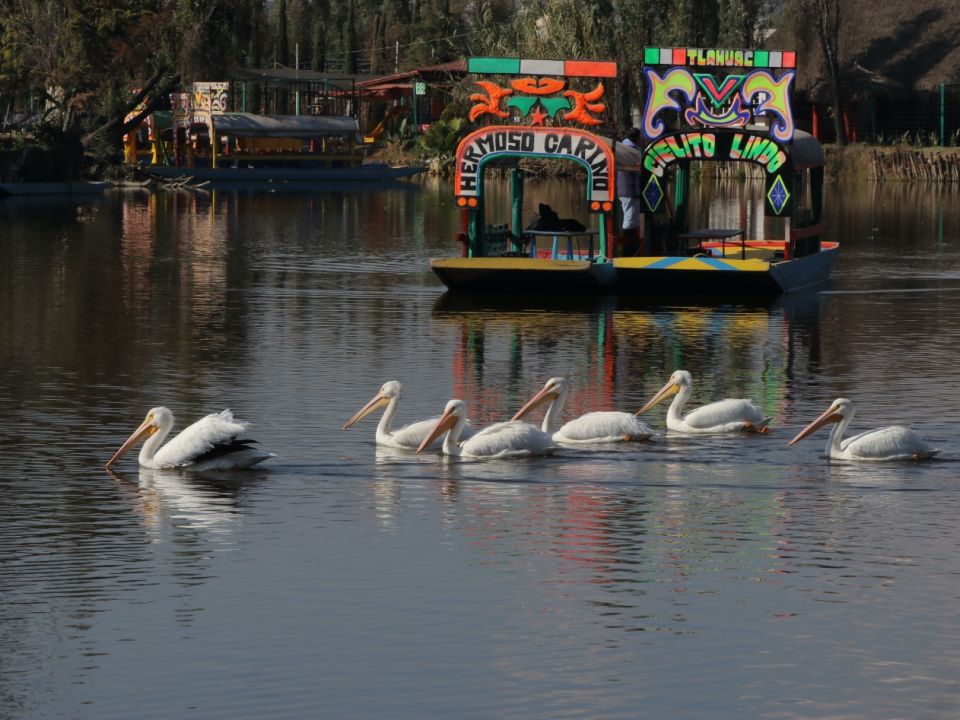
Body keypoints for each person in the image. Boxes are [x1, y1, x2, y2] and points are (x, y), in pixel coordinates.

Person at [616, 127, 645, 256]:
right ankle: (627, 252)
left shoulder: (622, 149)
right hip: (630, 190)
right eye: (640, 138)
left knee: (631, 219)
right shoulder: (632, 151)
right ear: (637, 138)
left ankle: (629, 249)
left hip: (624, 190)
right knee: (630, 220)